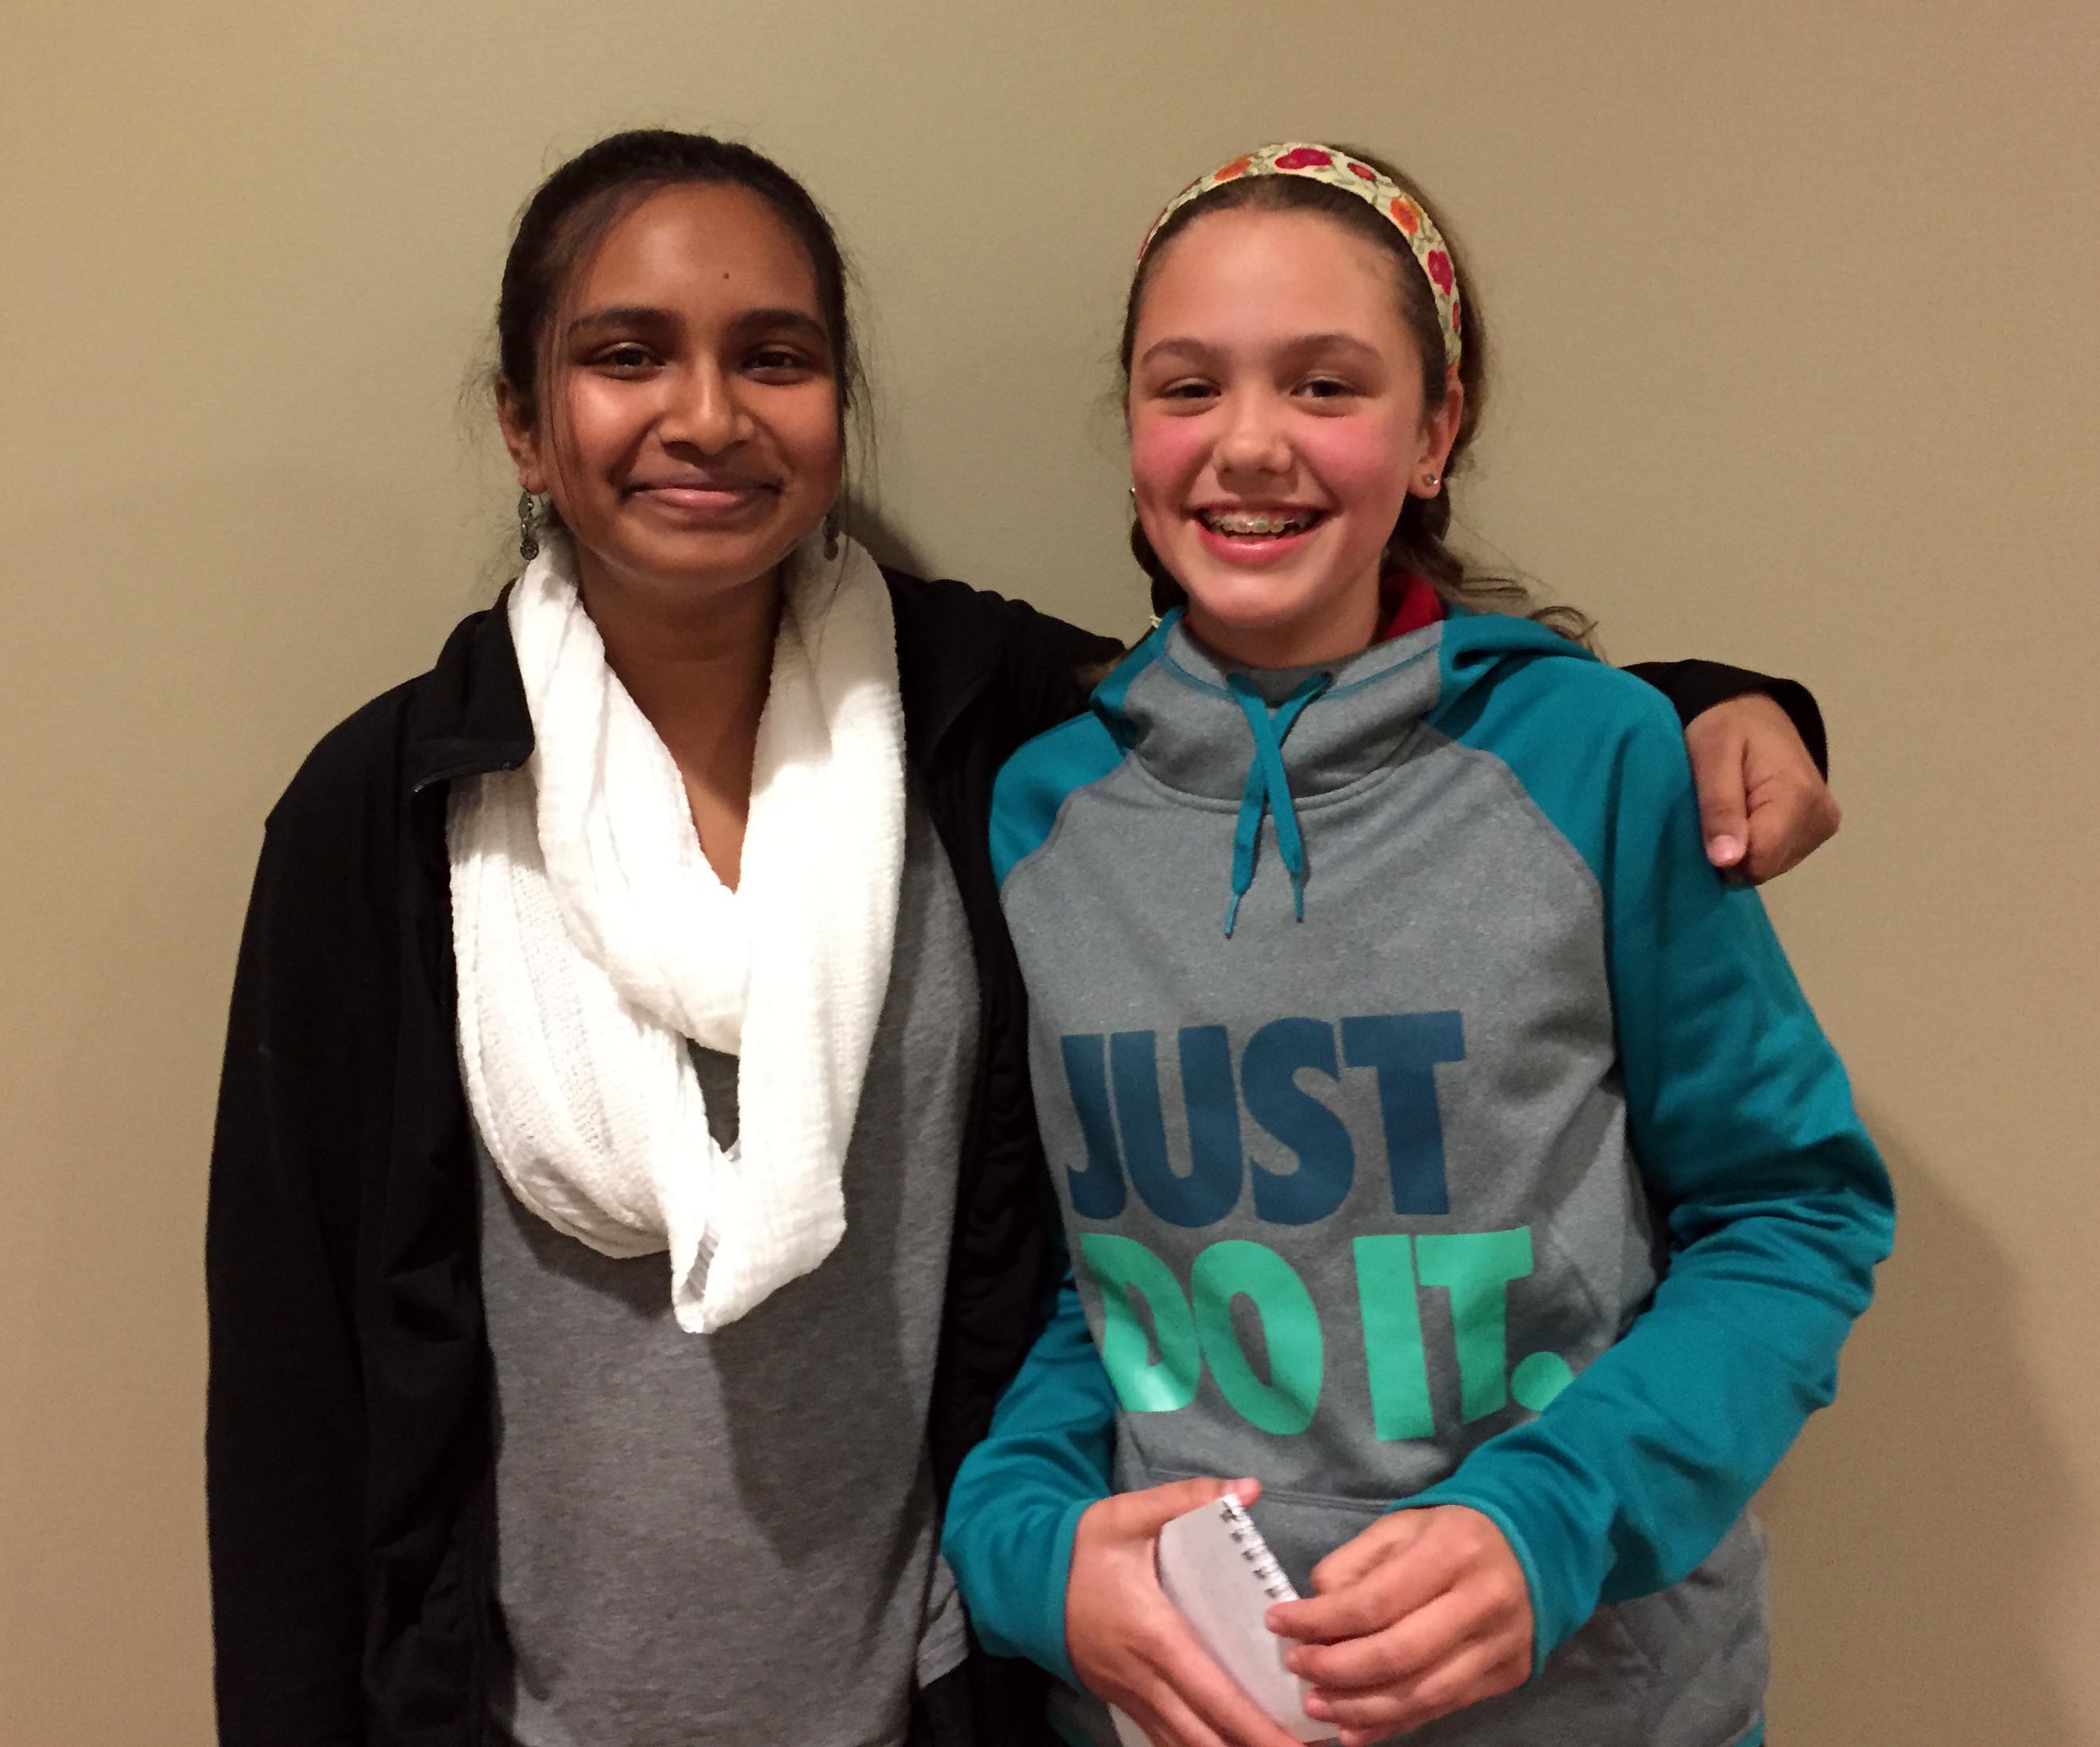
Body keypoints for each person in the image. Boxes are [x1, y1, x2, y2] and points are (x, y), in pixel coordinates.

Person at [205, 130, 1847, 1747]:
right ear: (522, 417)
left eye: (772, 356)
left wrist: (1699, 714)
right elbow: (292, 1377)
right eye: (628, 355)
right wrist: (1035, 1554)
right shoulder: (396, 813)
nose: (704, 413)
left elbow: (1342, 706)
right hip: (542, 1699)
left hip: (974, 1692)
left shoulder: (969, 726)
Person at [940, 143, 1893, 1747]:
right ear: (1131, 434)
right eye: (1191, 388)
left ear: (1436, 431)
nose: (1249, 445)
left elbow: (1791, 1217)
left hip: (1599, 1707)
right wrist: (1026, 1555)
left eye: (1327, 385)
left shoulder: (1597, 759)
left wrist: (1553, 1523)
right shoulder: (1044, 815)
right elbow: (1094, 1300)